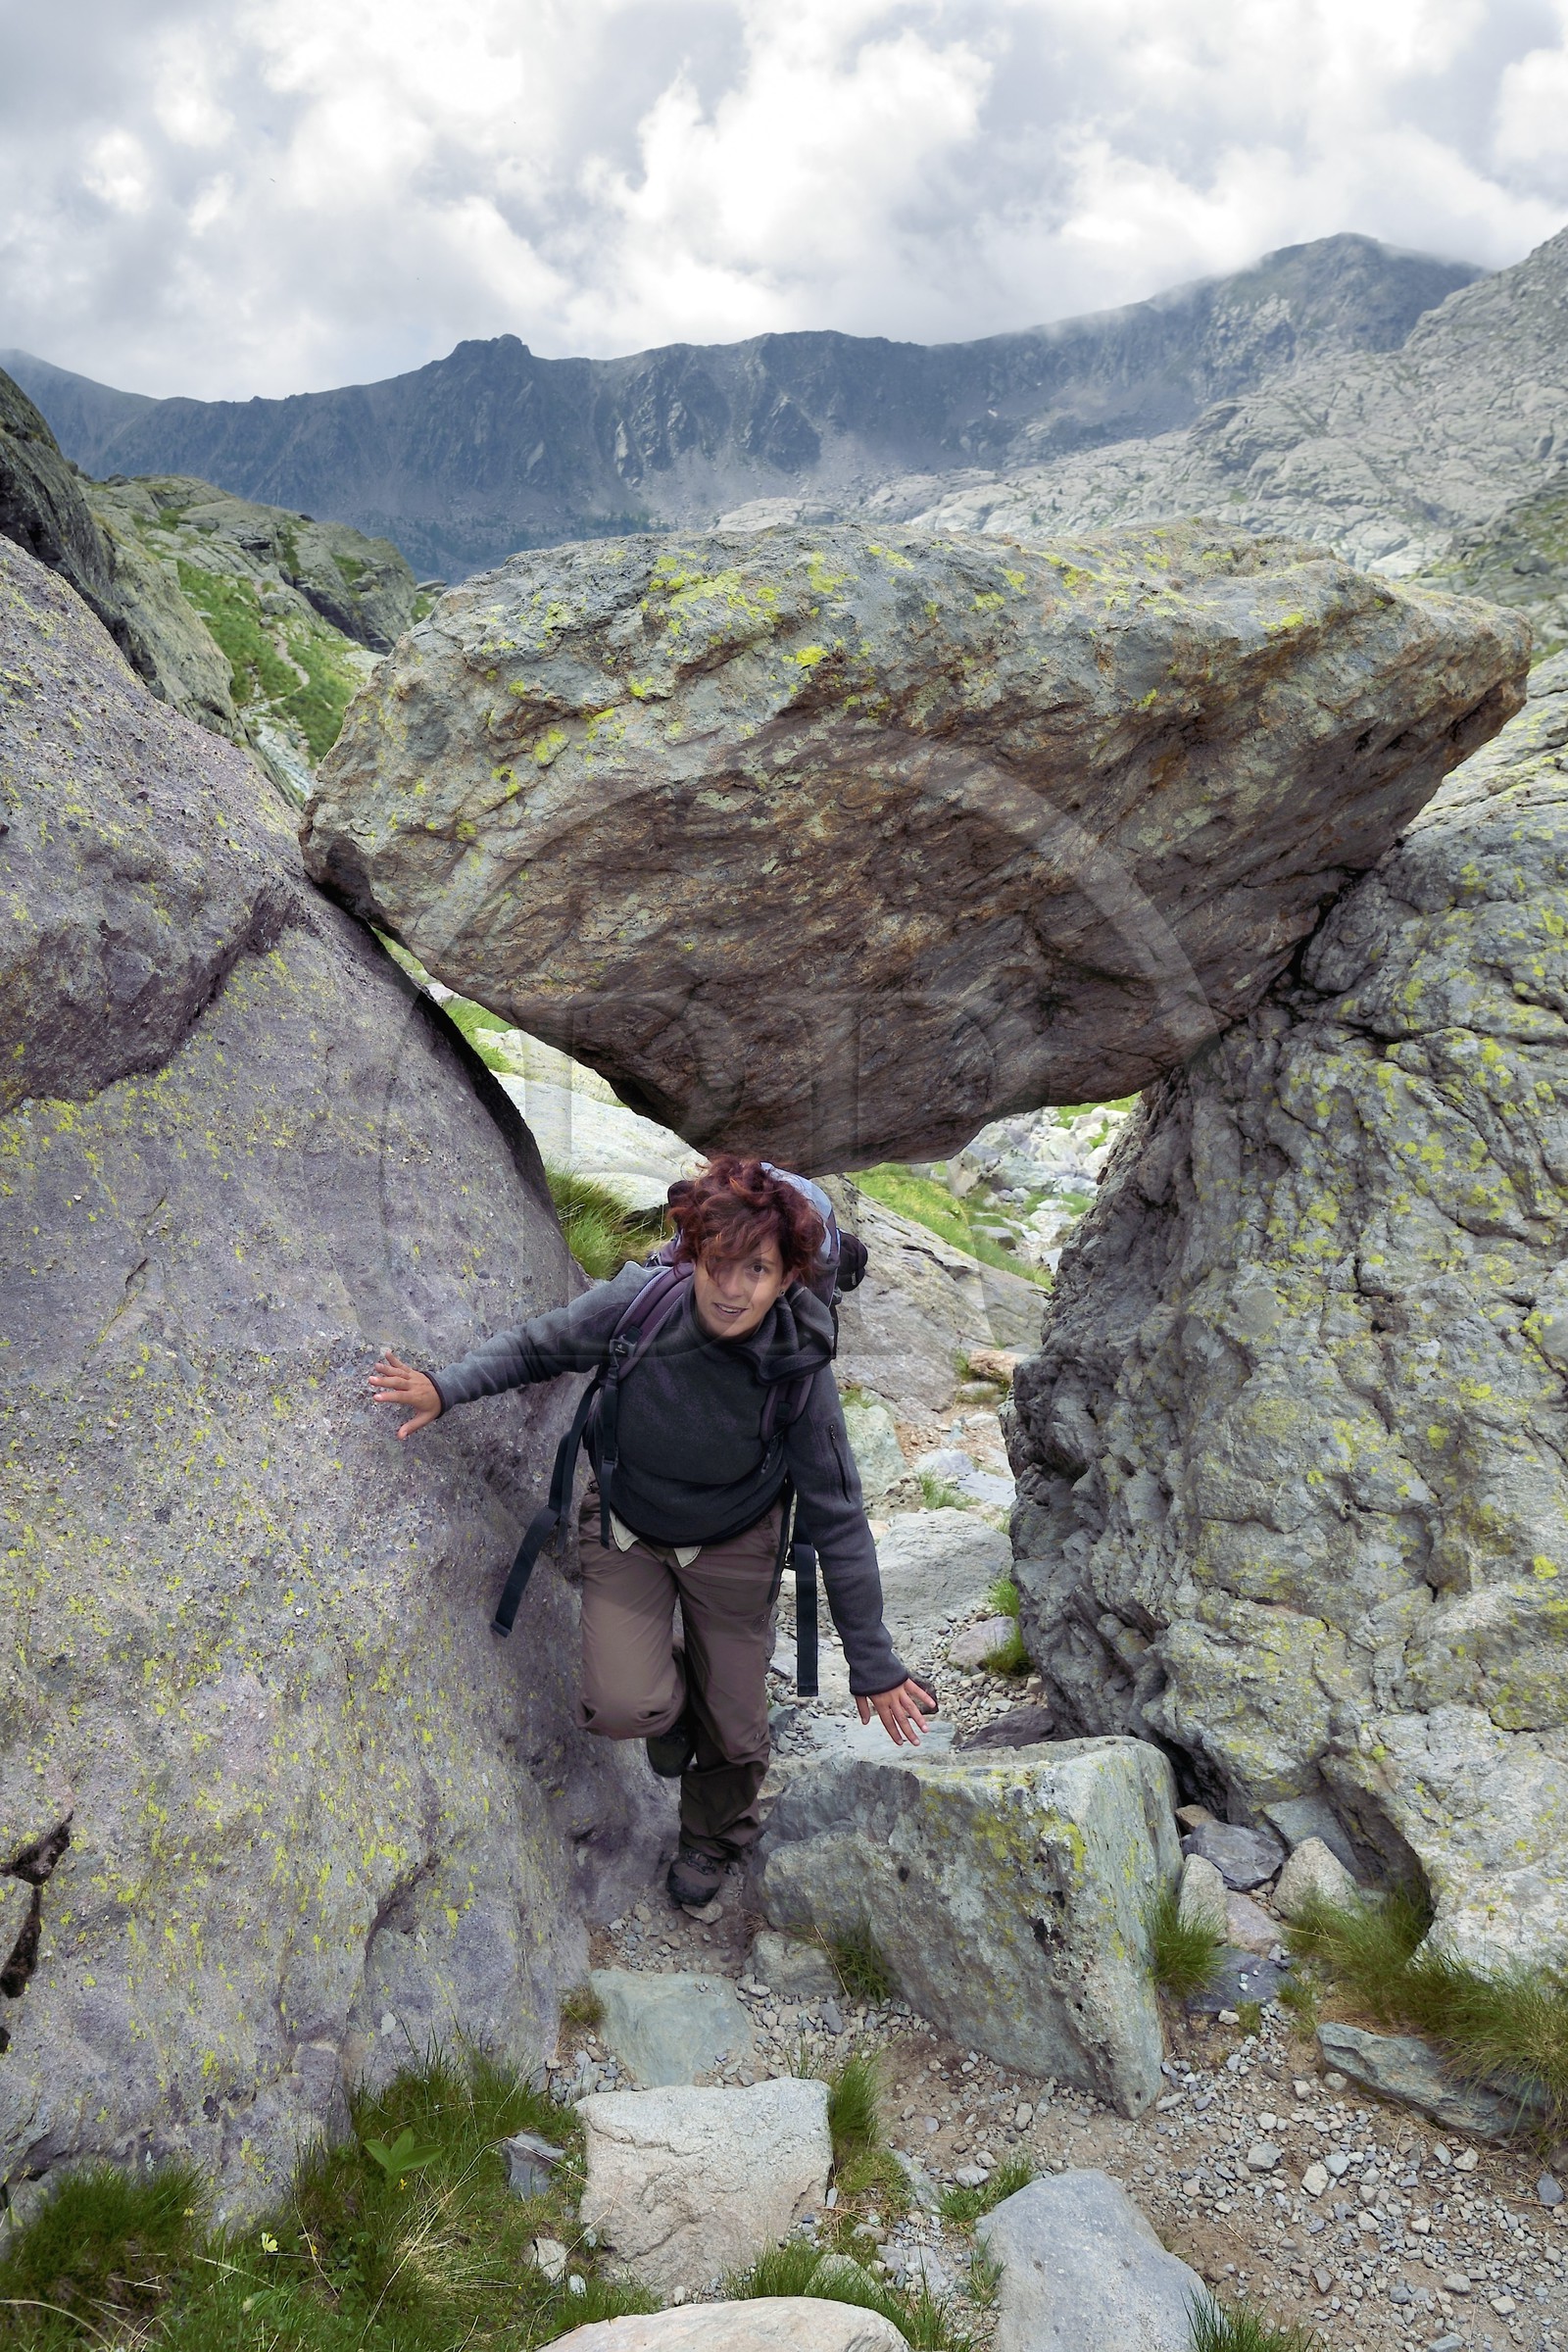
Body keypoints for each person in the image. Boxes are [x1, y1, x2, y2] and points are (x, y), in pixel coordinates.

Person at [368, 1155, 934, 1908]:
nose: (734, 1289)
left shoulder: (800, 1364)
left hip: (738, 1540)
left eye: (758, 1271)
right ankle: (678, 1677)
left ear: (790, 1278)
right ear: (696, 1249)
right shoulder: (642, 1303)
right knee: (627, 1708)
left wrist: (874, 1662)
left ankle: (711, 1837)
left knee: (735, 1735)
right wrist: (444, 1388)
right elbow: (540, 1345)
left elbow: (837, 1512)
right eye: (720, 1263)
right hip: (629, 1522)